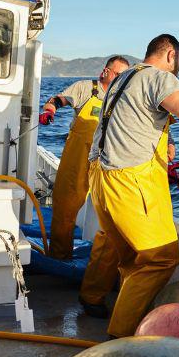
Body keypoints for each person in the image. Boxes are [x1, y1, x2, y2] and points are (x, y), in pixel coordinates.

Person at [79, 34, 179, 338]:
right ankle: (119, 338)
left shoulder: (124, 78)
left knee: (129, 257)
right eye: (178, 65)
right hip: (129, 182)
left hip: (101, 180)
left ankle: (92, 298)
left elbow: (134, 121)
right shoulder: (158, 78)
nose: (177, 73)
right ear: (170, 54)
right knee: (160, 259)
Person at [39, 55, 130, 259]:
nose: (120, 80)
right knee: (65, 207)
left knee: (115, 213)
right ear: (105, 72)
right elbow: (58, 99)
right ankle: (59, 257)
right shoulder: (85, 88)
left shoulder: (124, 99)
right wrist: (49, 110)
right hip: (79, 157)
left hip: (109, 161)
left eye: (124, 77)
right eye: (117, 74)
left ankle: (108, 261)